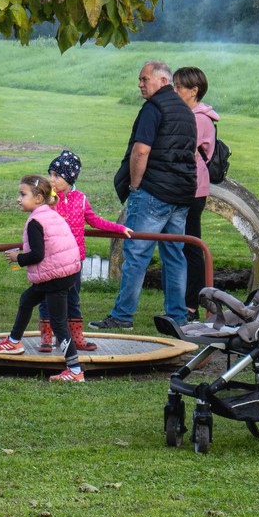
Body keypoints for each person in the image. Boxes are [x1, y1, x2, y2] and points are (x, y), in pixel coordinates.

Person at [89, 61, 195, 332]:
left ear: (162, 81)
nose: (140, 84)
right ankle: (177, 317)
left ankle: (123, 315)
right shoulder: (185, 110)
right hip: (182, 194)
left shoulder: (153, 108)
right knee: (174, 254)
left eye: (144, 79)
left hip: (153, 193)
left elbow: (141, 151)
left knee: (136, 253)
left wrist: (136, 186)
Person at [0, 176, 87, 383]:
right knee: (27, 299)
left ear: (39, 198)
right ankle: (14, 341)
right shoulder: (51, 214)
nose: (18, 199)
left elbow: (37, 255)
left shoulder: (35, 221)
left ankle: (75, 370)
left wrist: (18, 257)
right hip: (65, 273)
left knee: (59, 324)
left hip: (55, 278)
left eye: (23, 195)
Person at [42, 150, 129, 355]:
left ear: (70, 178)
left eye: (56, 175)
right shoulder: (47, 200)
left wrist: (119, 228)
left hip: (73, 261)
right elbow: (39, 220)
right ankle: (46, 337)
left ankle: (76, 336)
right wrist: (50, 201)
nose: (51, 179)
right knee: (47, 298)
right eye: (50, 174)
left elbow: (95, 220)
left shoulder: (80, 199)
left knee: (73, 298)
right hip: (50, 259)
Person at [172, 66, 218, 317]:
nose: (175, 90)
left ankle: (192, 304)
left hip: (192, 188)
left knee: (190, 245)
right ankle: (186, 300)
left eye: (179, 87)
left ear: (194, 91)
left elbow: (183, 152)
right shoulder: (191, 114)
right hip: (187, 185)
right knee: (182, 244)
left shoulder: (198, 118)